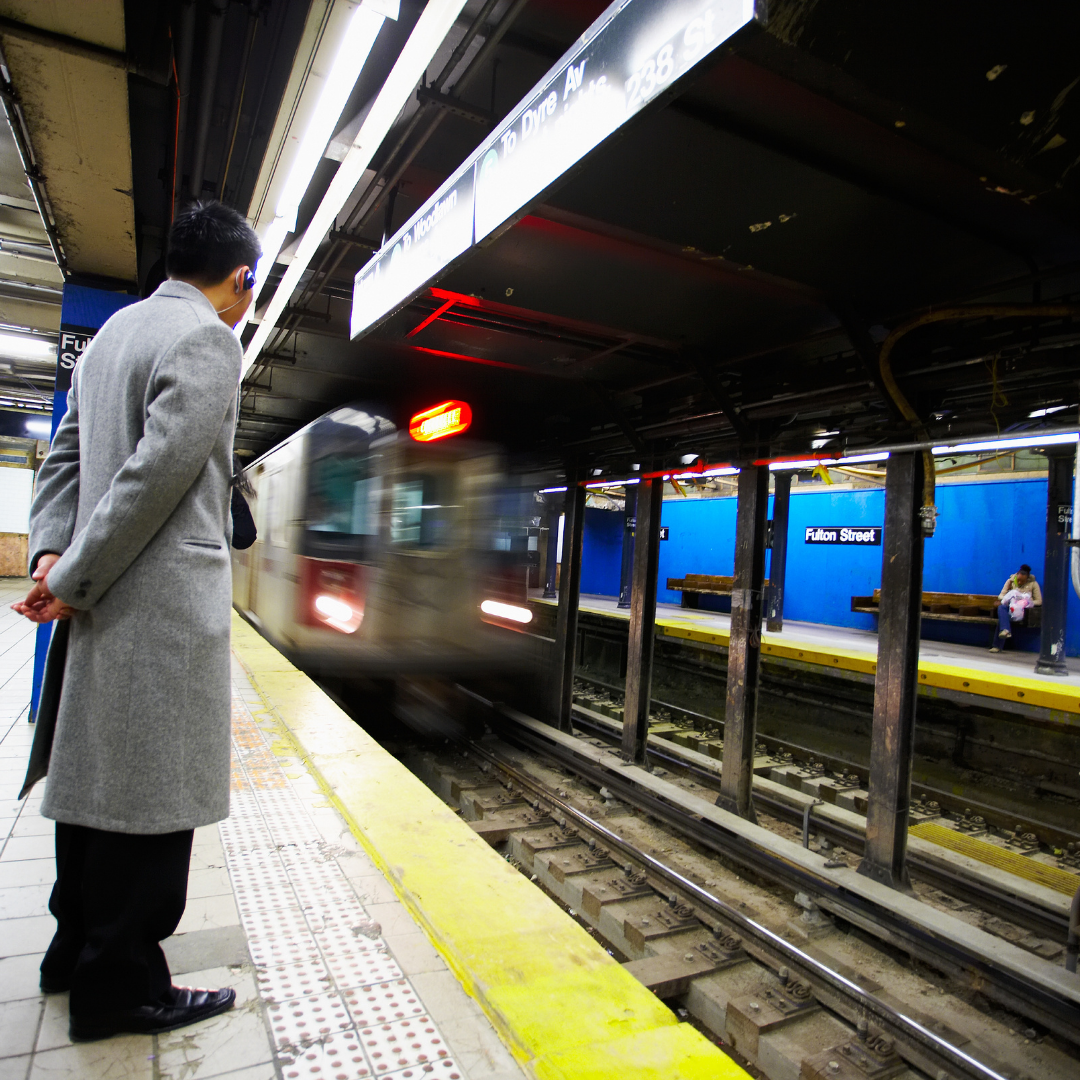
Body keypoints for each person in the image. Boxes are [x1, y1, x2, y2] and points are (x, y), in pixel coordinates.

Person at [11, 200, 260, 1041]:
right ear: (240, 280)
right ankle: (121, 990)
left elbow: (67, 457)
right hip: (155, 609)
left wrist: (50, 556)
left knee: (92, 787)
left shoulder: (113, 334)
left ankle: (70, 952)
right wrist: (73, 576)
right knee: (150, 804)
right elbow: (156, 476)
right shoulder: (210, 339)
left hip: (100, 598)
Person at [991, 563, 1042, 652]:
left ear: (1027, 578)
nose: (1019, 583)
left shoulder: (1033, 584)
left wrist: (1025, 602)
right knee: (1002, 608)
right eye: (1018, 580)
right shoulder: (1010, 581)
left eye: (1022, 581)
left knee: (1003, 619)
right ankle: (1005, 631)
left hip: (1024, 611)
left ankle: (998, 644)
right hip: (1011, 607)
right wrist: (1010, 598)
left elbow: (1039, 601)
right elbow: (1001, 596)